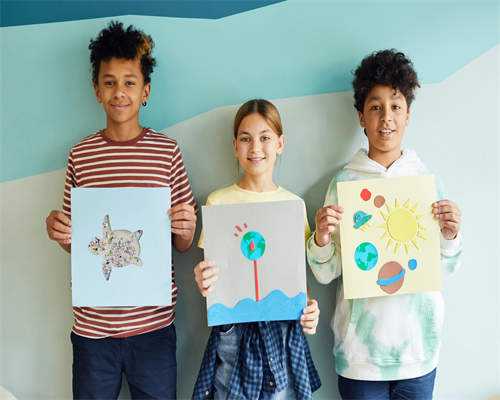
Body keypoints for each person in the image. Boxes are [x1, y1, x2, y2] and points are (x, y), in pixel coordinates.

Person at [45, 21, 196, 399]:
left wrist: (187, 227)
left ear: (146, 91)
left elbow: (182, 245)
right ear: (97, 90)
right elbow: (79, 244)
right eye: (109, 82)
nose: (119, 92)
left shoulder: (166, 152)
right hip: (92, 331)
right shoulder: (81, 155)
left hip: (154, 328)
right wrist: (61, 232)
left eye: (129, 82)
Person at [307, 49, 462, 399]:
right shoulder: (343, 184)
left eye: (395, 106)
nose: (386, 117)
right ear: (361, 116)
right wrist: (321, 238)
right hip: (359, 356)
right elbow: (326, 273)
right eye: (376, 107)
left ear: (408, 114)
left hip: (418, 352)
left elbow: (445, 267)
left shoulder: (427, 182)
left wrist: (451, 236)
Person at [192, 99, 321, 400]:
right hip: (234, 335)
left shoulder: (293, 205)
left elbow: (296, 281)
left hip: (283, 333)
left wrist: (310, 310)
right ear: (235, 146)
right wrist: (203, 281)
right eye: (246, 139)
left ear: (280, 144)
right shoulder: (218, 203)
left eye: (265, 138)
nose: (255, 148)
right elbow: (212, 281)